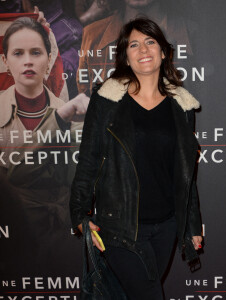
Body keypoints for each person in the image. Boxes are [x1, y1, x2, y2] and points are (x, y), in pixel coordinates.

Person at [70, 17, 202, 300]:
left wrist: (191, 226)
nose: (143, 49)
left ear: (164, 52)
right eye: (134, 44)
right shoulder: (107, 101)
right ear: (126, 57)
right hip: (120, 226)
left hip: (166, 226)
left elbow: (185, 173)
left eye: (150, 41)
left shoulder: (182, 105)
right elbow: (89, 161)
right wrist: (80, 214)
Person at [0, 17, 88, 271]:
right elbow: (16, 176)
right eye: (18, 53)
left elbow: (76, 183)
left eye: (36, 52)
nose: (28, 61)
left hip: (63, 242)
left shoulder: (69, 112)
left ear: (49, 60)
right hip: (12, 243)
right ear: (6, 61)